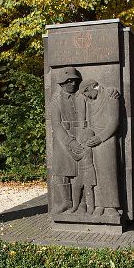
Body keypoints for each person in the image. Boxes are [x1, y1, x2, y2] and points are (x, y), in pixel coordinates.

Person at [79, 79, 121, 217]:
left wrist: (100, 138)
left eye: (86, 92)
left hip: (106, 140)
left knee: (108, 172)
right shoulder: (90, 104)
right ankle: (99, 205)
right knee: (96, 173)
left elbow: (114, 121)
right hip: (93, 141)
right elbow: (90, 124)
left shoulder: (109, 94)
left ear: (92, 86)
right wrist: (87, 136)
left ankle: (111, 206)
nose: (86, 96)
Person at [50, 66, 84, 213]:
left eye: (75, 81)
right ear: (62, 83)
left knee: (80, 172)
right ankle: (66, 202)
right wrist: (69, 142)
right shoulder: (56, 100)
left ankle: (81, 203)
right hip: (63, 139)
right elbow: (56, 125)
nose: (73, 84)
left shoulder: (81, 96)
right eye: (69, 81)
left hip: (81, 135)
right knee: (62, 172)